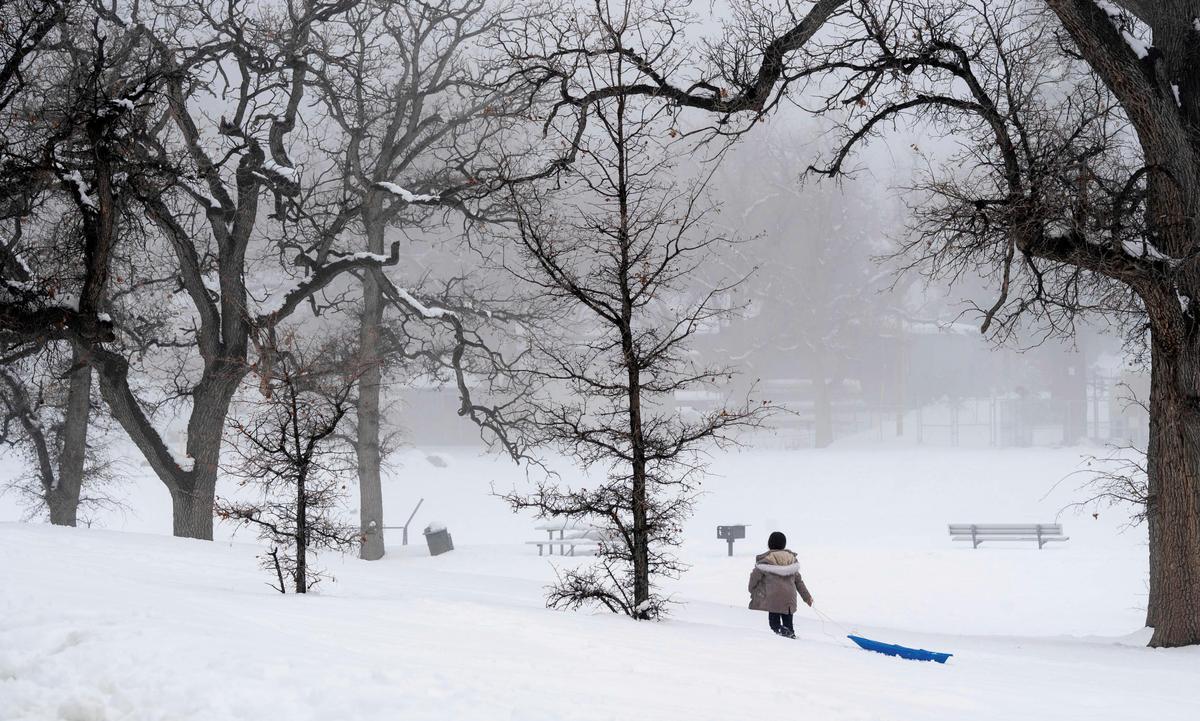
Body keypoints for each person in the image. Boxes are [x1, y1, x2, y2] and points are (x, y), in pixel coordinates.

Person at [748, 531, 813, 638]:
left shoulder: (765, 561)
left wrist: (752, 590)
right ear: (784, 545)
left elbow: (754, 579)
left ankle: (788, 636)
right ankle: (791, 637)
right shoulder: (791, 560)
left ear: (769, 545)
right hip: (789, 599)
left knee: (775, 625)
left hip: (773, 599)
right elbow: (799, 582)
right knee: (788, 624)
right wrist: (807, 597)